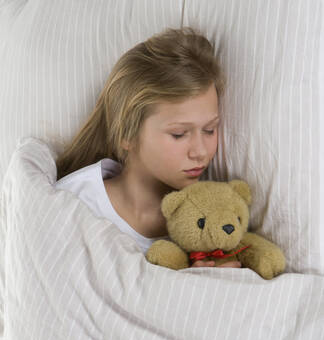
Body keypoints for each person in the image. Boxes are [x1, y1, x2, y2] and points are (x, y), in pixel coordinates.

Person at [55, 26, 241, 269]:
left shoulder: (212, 224)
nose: (201, 151)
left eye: (210, 130)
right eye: (179, 134)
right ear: (128, 135)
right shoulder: (72, 202)